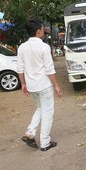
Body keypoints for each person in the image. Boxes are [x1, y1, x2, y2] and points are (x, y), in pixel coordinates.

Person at [17, 19, 62, 151]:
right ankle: (45, 143)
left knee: (41, 108)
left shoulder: (22, 47)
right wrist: (57, 86)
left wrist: (23, 84)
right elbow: (49, 69)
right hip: (44, 85)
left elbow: (20, 69)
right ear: (38, 31)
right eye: (42, 29)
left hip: (31, 86)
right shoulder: (44, 47)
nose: (43, 31)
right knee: (48, 112)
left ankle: (30, 132)